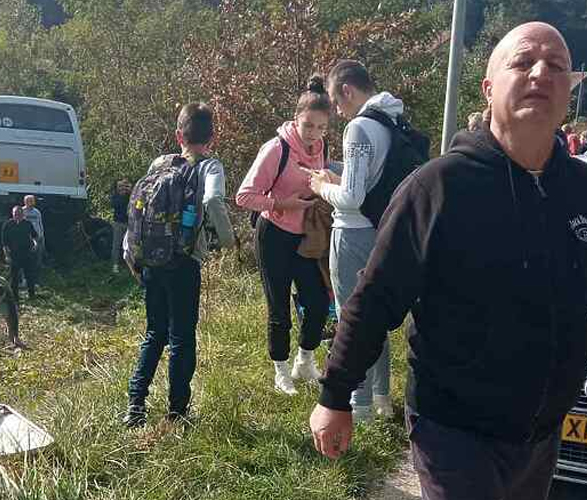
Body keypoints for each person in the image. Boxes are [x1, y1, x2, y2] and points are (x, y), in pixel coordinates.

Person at [310, 22, 587, 500]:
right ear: (488, 86)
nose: (541, 72)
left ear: (570, 91)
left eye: (557, 66)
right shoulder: (438, 187)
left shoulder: (579, 189)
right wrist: (336, 395)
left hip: (541, 432)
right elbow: (376, 295)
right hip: (455, 430)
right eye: (523, 62)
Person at [123, 102, 235, 427]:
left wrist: (132, 254)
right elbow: (213, 200)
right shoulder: (210, 166)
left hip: (151, 261)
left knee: (154, 332)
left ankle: (135, 406)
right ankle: (177, 413)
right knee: (182, 337)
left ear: (178, 135)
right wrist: (229, 241)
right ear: (211, 138)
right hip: (184, 262)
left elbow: (139, 209)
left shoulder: (160, 163)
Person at [306, 60, 396, 420]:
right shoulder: (388, 119)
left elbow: (352, 198)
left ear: (347, 90)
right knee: (376, 312)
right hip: (379, 228)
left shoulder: (359, 127)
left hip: (352, 232)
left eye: (335, 101)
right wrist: (341, 172)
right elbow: (373, 179)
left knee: (351, 319)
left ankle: (357, 407)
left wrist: (321, 186)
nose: (338, 111)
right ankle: (382, 397)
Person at [236, 74, 331, 396]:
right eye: (308, 126)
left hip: (306, 236)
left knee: (317, 302)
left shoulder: (321, 146)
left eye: (321, 127)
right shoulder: (277, 148)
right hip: (273, 234)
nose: (314, 135)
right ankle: (280, 370)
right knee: (279, 308)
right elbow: (244, 196)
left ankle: (304, 360)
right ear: (296, 120)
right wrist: (282, 203)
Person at [1, 206, 39, 301]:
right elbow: (4, 242)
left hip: (27, 253)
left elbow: (34, 236)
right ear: (12, 214)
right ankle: (15, 297)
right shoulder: (8, 225)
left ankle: (32, 295)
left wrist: (35, 244)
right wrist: (7, 255)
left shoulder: (27, 224)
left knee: (29, 275)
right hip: (14, 254)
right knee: (14, 277)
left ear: (23, 214)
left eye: (19, 214)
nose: (17, 216)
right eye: (15, 214)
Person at [110, 178, 132, 274]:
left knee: (130, 245)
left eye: (123, 186)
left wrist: (130, 191)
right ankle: (115, 265)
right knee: (116, 244)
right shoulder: (115, 197)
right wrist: (123, 195)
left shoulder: (130, 195)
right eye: (119, 186)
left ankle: (130, 266)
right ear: (116, 187)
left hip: (129, 223)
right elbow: (115, 205)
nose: (121, 188)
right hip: (118, 223)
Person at [22, 195, 45, 268]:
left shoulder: (37, 212)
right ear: (25, 202)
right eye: (29, 201)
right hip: (26, 236)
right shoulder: (21, 211)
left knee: (38, 252)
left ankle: (38, 266)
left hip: (37, 236)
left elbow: (40, 223)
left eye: (32, 201)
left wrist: (41, 234)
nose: (30, 203)